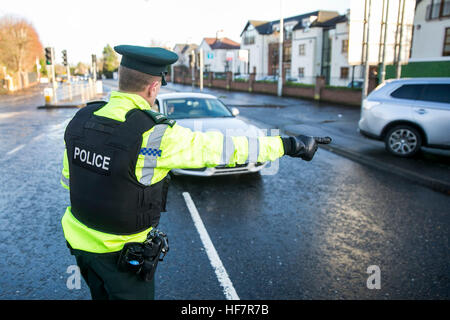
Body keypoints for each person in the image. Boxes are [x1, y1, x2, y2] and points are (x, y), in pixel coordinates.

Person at [60, 45, 331, 300]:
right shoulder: (155, 136)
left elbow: (69, 180)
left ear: (121, 80)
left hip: (82, 247)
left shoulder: (83, 118)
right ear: (154, 87)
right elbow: (225, 148)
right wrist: (288, 144)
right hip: (121, 256)